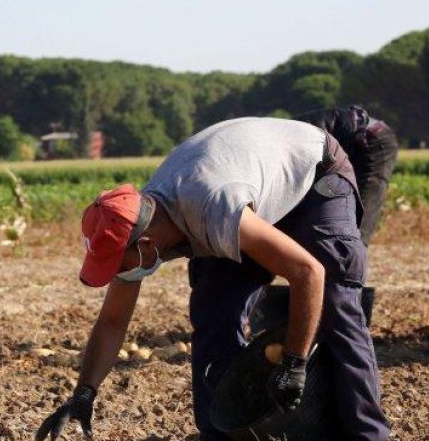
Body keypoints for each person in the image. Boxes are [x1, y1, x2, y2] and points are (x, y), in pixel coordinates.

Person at [35, 117, 389, 441]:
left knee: (336, 302)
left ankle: (367, 435)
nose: (118, 274)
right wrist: (84, 392)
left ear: (144, 244)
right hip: (244, 194)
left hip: (313, 175)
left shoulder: (213, 207)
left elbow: (308, 272)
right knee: (214, 313)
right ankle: (219, 436)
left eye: (116, 264)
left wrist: (293, 364)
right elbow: (113, 320)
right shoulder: (135, 224)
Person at [293, 105, 399, 325]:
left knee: (353, 232)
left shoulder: (290, 140)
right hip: (344, 149)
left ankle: (344, 310)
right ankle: (326, 301)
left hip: (372, 142)